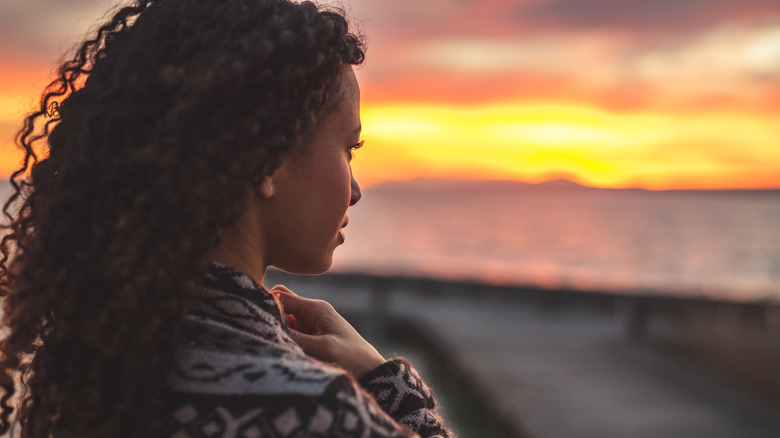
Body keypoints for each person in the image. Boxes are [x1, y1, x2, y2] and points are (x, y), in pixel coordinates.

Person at [0, 0, 452, 437]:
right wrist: (386, 384)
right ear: (269, 161)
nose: (355, 191)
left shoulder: (102, 366)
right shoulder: (319, 416)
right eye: (349, 149)